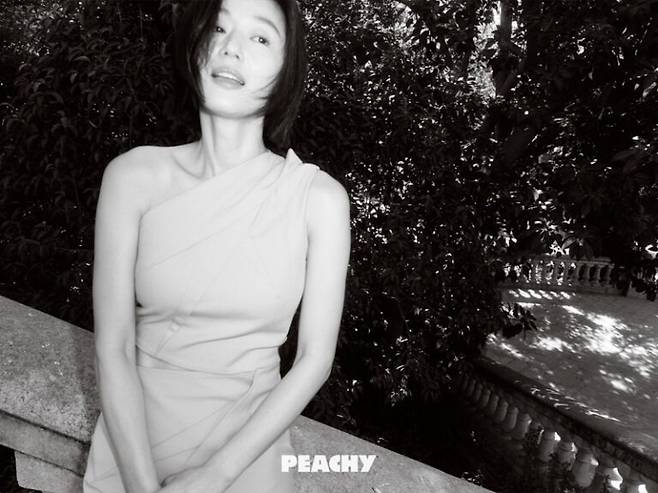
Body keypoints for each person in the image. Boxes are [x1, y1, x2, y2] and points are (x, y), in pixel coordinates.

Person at [82, 0, 351, 491]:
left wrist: (214, 476)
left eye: (260, 37)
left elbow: (314, 359)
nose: (232, 49)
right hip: (132, 445)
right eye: (218, 27)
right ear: (194, 45)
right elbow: (113, 346)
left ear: (287, 68)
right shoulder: (132, 177)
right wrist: (142, 486)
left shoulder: (319, 200)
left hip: (246, 458)